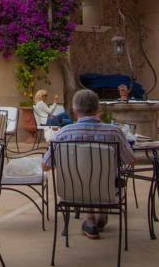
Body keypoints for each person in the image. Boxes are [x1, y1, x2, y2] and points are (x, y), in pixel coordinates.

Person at [42, 89, 136, 240]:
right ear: (98, 108)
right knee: (100, 179)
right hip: (106, 190)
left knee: (82, 177)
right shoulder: (114, 132)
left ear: (74, 110)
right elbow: (131, 162)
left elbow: (45, 165)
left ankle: (90, 220)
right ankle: (100, 214)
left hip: (71, 192)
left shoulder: (62, 134)